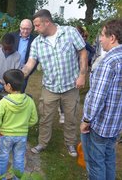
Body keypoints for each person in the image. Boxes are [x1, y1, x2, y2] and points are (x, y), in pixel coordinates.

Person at [22, 9, 87, 157]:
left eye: (37, 25)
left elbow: (83, 52)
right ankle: (42, 143)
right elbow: (30, 63)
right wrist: (20, 74)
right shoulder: (37, 42)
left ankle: (70, 143)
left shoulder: (69, 32)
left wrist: (82, 75)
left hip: (71, 85)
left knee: (70, 117)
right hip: (50, 87)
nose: (35, 29)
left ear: (47, 22)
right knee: (45, 117)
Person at [80, 19, 122, 180]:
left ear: (112, 38)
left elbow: (98, 97)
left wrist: (86, 119)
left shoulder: (109, 62)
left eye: (103, 35)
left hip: (100, 125)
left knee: (96, 163)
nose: (99, 39)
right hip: (116, 124)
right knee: (109, 159)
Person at [0, 69, 38, 179]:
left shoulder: (4, 101)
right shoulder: (29, 100)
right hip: (22, 136)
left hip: (6, 135)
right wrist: (24, 126)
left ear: (8, 85)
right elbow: (34, 119)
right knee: (19, 158)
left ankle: (0, 178)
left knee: (3, 158)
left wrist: (2, 127)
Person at [11, 19, 38, 92]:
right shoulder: (12, 36)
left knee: (20, 91)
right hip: (11, 69)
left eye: (28, 29)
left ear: (31, 29)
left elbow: (36, 59)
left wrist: (30, 72)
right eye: (23, 29)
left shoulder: (35, 40)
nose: (25, 31)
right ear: (20, 27)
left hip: (25, 71)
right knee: (8, 90)